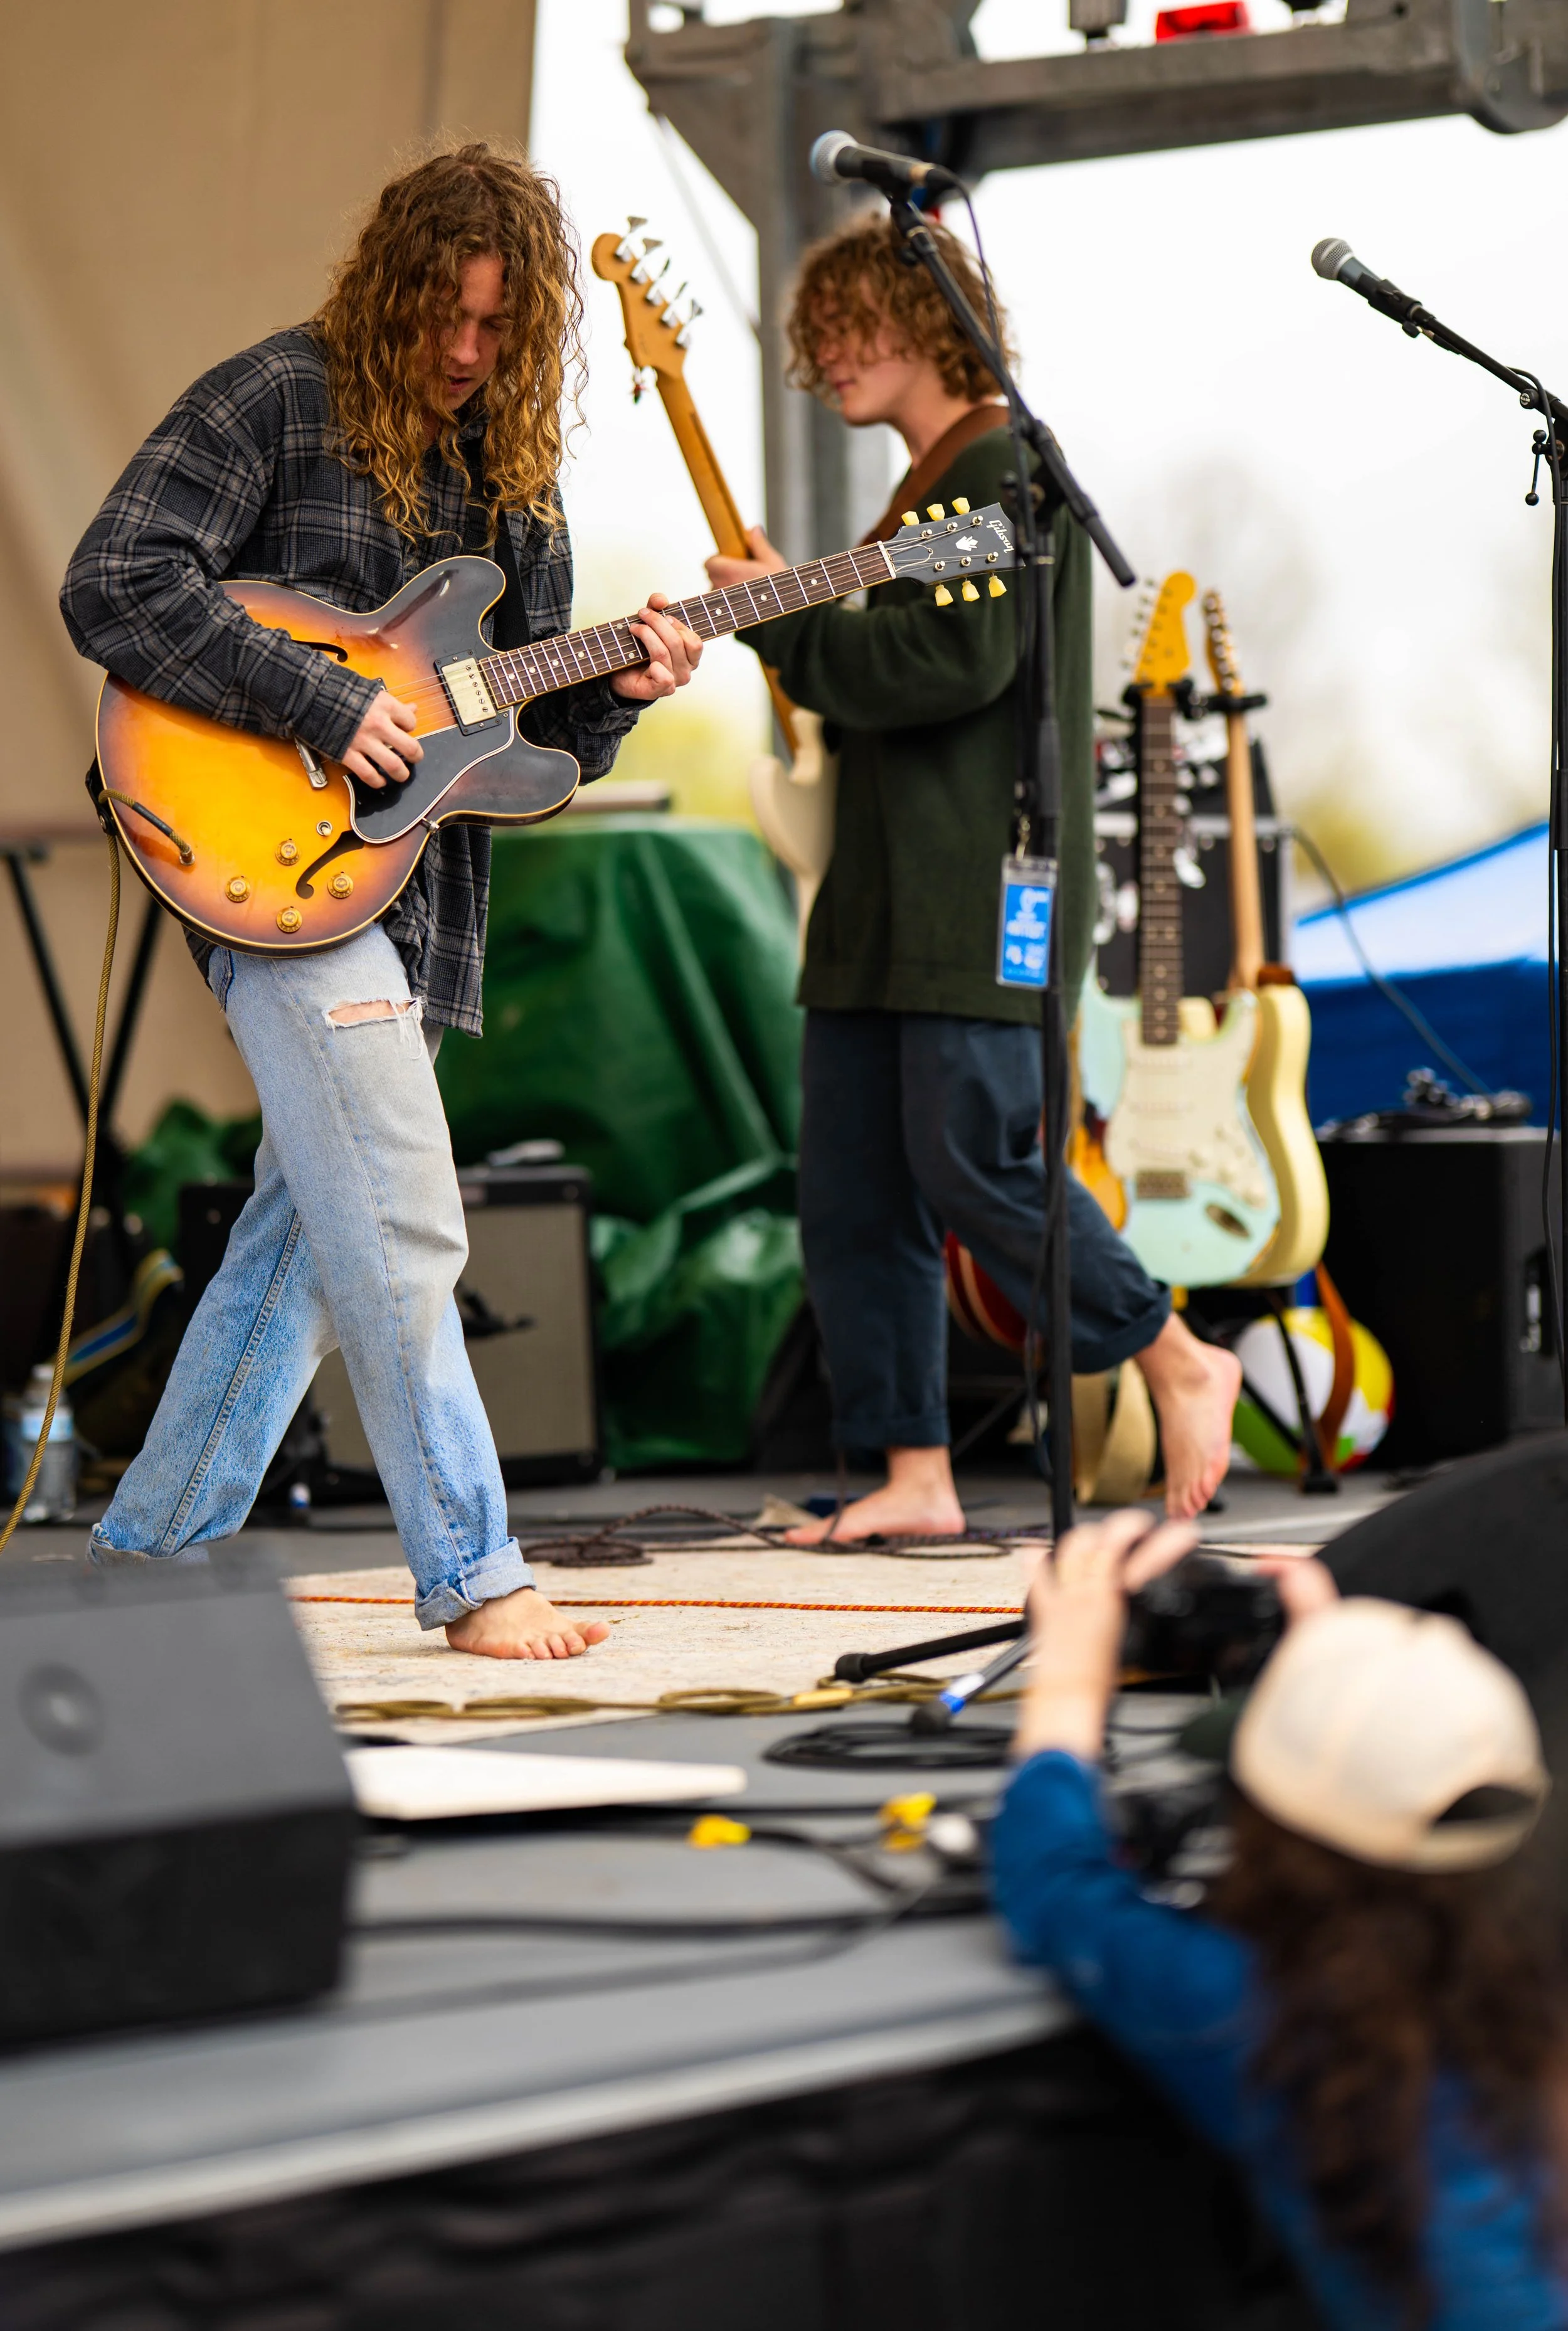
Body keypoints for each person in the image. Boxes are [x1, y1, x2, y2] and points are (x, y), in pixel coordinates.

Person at [61, 144, 703, 1659]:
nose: (468, 355)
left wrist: (623, 690)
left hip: (417, 906)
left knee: (306, 1242)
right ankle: (473, 1572)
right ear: (388, 289)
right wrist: (313, 699)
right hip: (268, 875)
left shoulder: (516, 483)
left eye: (498, 328)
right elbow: (114, 579)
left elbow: (528, 751)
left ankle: (146, 1568)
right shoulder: (273, 397)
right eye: (442, 318)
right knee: (407, 1221)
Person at [706, 214, 1240, 1539]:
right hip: (880, 900)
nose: (821, 355)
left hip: (970, 890)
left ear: (923, 320)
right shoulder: (924, 496)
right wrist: (792, 616)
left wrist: (784, 622)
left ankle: (1171, 1354)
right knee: (850, 1190)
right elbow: (893, 648)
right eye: (811, 336)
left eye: (844, 325)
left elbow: (954, 663)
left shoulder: (1000, 472)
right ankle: (913, 1473)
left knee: (976, 1163)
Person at [992, 1509, 1568, 2329]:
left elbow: (1051, 1880)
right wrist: (1344, 1671)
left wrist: (1075, 1675)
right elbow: (1407, 1778)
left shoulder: (1276, 2020)